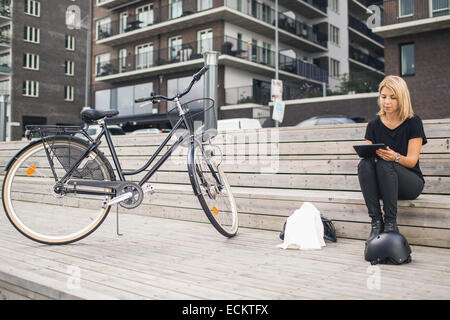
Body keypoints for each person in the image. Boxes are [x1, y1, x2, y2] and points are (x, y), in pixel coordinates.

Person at [357, 75, 427, 241]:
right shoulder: (373, 125)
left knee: (385, 164)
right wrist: (372, 158)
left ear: (402, 99)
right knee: (364, 164)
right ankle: (376, 222)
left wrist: (395, 157)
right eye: (383, 97)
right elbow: (369, 158)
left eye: (393, 98)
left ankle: (390, 223)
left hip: (410, 184)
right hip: (384, 184)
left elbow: (411, 161)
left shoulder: (413, 122)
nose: (387, 102)